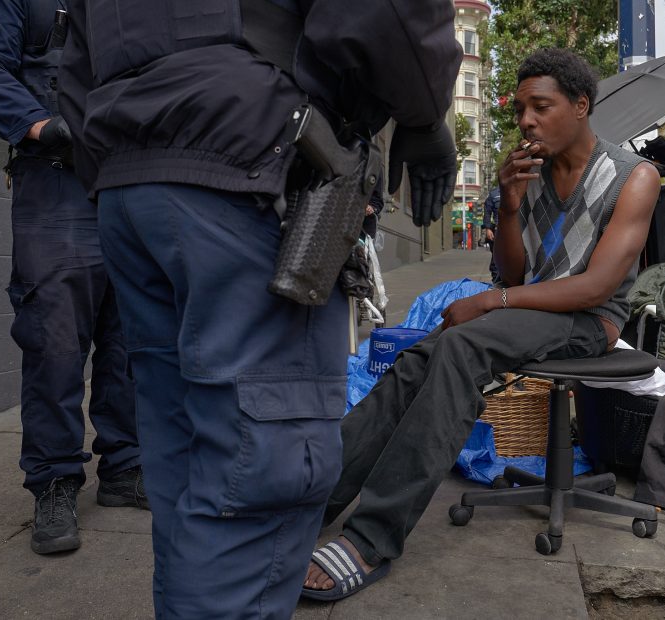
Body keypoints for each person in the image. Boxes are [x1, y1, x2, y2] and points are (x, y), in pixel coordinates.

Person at [57, 0, 462, 617]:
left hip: (132, 178)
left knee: (185, 462)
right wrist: (425, 109)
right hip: (247, 165)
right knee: (258, 473)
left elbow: (76, 56)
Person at [302, 47, 661, 601]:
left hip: (588, 320)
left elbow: (596, 287)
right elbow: (515, 270)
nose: (526, 121)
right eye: (520, 110)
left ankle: (371, 538)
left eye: (541, 107)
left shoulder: (634, 177)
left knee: (460, 347)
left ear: (582, 105)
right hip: (530, 309)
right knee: (420, 355)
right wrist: (512, 205)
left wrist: (493, 302)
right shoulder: (530, 171)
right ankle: (315, 498)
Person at [0, 0, 146, 557]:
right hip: (57, 177)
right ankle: (56, 480)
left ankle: (125, 466)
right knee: (55, 338)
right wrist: (39, 125)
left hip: (131, 178)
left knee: (129, 335)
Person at [482, 185, 501, 282]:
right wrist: (488, 228)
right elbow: (487, 212)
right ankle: (496, 281)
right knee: (496, 257)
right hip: (499, 230)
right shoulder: (494, 194)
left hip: (516, 229)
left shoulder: (518, 189)